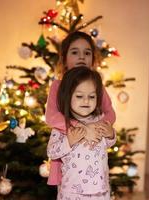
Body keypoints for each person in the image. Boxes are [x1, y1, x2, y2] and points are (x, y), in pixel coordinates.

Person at [45, 31, 116, 185]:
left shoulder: (97, 85)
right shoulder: (58, 86)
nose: (82, 57)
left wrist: (97, 127)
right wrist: (83, 128)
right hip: (68, 169)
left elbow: (110, 112)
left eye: (87, 52)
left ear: (93, 59)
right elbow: (51, 117)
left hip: (95, 174)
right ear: (64, 58)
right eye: (75, 52)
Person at [47, 67, 116, 199]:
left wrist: (111, 134)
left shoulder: (99, 121)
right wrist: (69, 142)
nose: (86, 101)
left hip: (100, 190)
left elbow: (108, 143)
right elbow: (51, 152)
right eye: (79, 96)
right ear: (67, 96)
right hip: (72, 192)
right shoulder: (64, 126)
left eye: (91, 96)